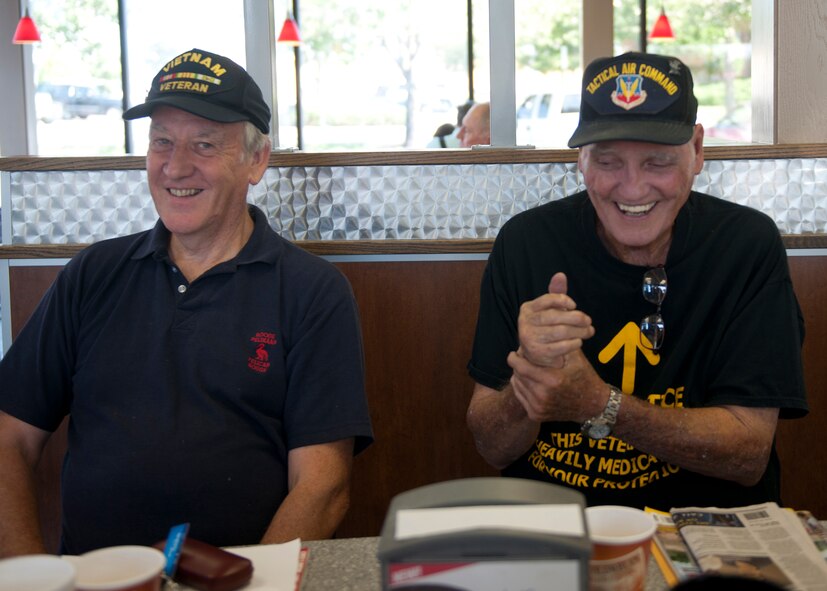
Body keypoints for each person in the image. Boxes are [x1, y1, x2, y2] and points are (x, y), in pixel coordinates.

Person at [0, 48, 373, 557]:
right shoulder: (92, 275)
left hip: (243, 580)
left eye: (204, 144)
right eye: (162, 142)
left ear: (256, 160)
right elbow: (9, 438)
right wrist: (27, 575)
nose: (176, 166)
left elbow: (323, 486)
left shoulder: (312, 292)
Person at [465, 52, 808, 511]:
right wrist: (530, 378)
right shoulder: (526, 243)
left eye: (657, 162)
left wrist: (598, 403)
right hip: (560, 532)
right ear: (581, 161)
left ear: (698, 151)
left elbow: (747, 455)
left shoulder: (745, 245)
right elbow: (493, 446)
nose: (632, 189)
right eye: (608, 162)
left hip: (702, 530)